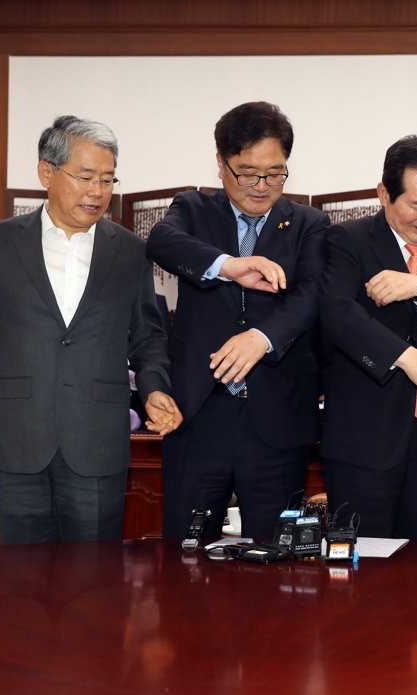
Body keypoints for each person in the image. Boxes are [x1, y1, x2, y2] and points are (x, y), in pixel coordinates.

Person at [0, 115, 181, 545]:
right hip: (19, 435)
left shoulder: (130, 251)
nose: (98, 191)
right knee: (21, 572)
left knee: (94, 575)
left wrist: (154, 389)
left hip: (97, 436)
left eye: (107, 179)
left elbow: (149, 336)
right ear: (46, 173)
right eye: (86, 177)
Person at [147, 101, 328, 540]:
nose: (261, 186)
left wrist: (261, 338)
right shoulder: (193, 209)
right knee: (187, 552)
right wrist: (228, 266)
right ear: (221, 163)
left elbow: (312, 295)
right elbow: (160, 241)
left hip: (276, 419)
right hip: (199, 414)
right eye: (247, 173)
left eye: (275, 173)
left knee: (275, 555)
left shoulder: (309, 224)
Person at [318, 135, 417, 540]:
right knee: (362, 562)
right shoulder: (347, 239)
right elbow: (337, 315)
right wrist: (407, 358)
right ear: (384, 193)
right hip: (364, 437)